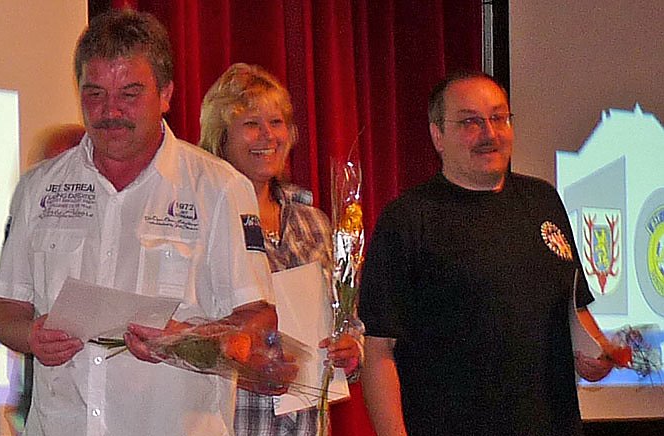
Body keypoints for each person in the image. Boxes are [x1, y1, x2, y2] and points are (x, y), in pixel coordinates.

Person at [0, 11, 277, 436]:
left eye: (130, 93)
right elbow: (4, 310)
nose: (110, 111)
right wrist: (31, 335)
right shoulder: (38, 188)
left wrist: (185, 341)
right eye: (95, 94)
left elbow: (260, 320)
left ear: (166, 94)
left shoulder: (219, 188)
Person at [358, 71, 618, 436]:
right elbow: (379, 349)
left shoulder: (542, 200)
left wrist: (599, 353)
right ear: (437, 135)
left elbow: (573, 307)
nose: (489, 134)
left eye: (499, 118)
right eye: (470, 122)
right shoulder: (408, 219)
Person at [200, 63, 362, 436]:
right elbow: (188, 334)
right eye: (251, 124)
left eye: (276, 122)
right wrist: (241, 357)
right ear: (221, 137)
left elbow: (347, 319)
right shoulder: (205, 219)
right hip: (235, 424)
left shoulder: (314, 222)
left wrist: (351, 350)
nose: (268, 136)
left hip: (306, 426)